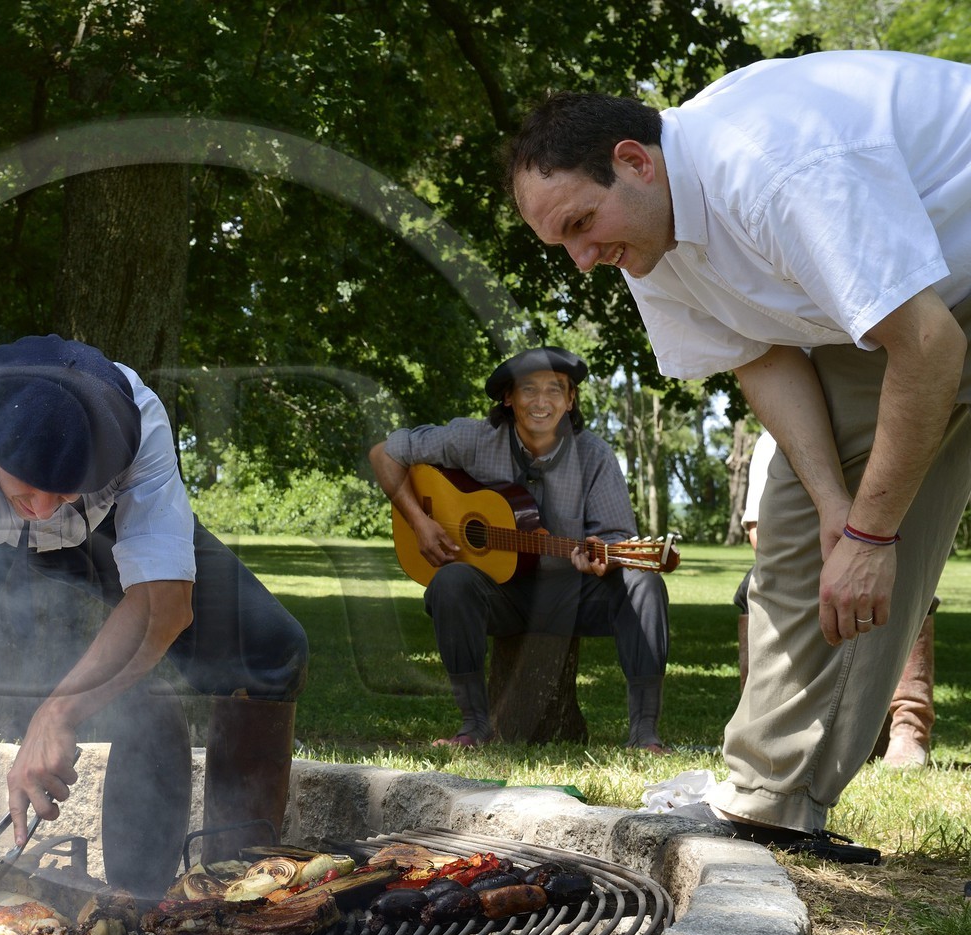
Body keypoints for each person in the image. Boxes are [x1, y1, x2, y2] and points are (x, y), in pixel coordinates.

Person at [507, 50, 971, 862]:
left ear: (633, 161)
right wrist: (837, 512)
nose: (582, 261)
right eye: (563, 245)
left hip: (927, 310)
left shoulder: (774, 166)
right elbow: (763, 356)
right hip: (915, 308)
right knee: (796, 526)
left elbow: (929, 344)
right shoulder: (649, 241)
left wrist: (872, 539)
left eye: (582, 225)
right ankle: (769, 804)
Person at [0, 334, 308, 929]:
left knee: (271, 647)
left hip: (98, 529)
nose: (44, 507)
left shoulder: (137, 423)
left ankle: (236, 896)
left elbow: (165, 605)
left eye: (66, 485)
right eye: (28, 484)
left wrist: (59, 712)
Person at [368, 346, 671, 751]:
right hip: (500, 594)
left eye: (554, 390)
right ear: (508, 398)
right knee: (451, 582)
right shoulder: (473, 438)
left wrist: (601, 556)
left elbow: (616, 538)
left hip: (569, 593)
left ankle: (645, 734)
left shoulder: (594, 455)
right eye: (529, 390)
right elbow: (383, 454)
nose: (541, 402)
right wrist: (420, 523)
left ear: (570, 400)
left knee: (643, 582)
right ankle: (474, 727)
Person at [736, 433, 938, 769]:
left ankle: (909, 726)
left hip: (880, 553)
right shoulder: (772, 440)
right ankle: (771, 723)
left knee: (917, 589)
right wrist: (830, 567)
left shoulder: (881, 428)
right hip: (809, 561)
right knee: (750, 588)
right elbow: (760, 531)